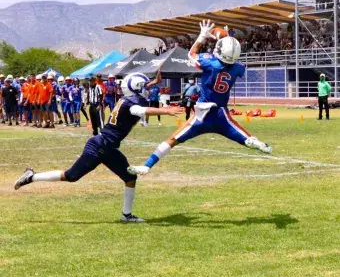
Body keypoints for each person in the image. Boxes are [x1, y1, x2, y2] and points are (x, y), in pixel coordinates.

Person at [14, 71, 183, 223]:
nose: (147, 88)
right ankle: (31, 177)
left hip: (107, 146)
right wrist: (166, 111)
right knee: (71, 176)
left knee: (130, 178)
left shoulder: (127, 98)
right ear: (137, 87)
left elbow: (138, 90)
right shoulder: (134, 103)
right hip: (101, 146)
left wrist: (154, 81)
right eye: (145, 85)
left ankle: (127, 214)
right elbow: (141, 109)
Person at [128, 20, 272, 176]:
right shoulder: (238, 68)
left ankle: (147, 166)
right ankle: (257, 143)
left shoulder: (210, 63)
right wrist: (226, 39)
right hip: (221, 115)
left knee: (172, 140)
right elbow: (232, 60)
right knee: (244, 136)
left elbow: (191, 54)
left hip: (202, 115)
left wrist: (202, 37)